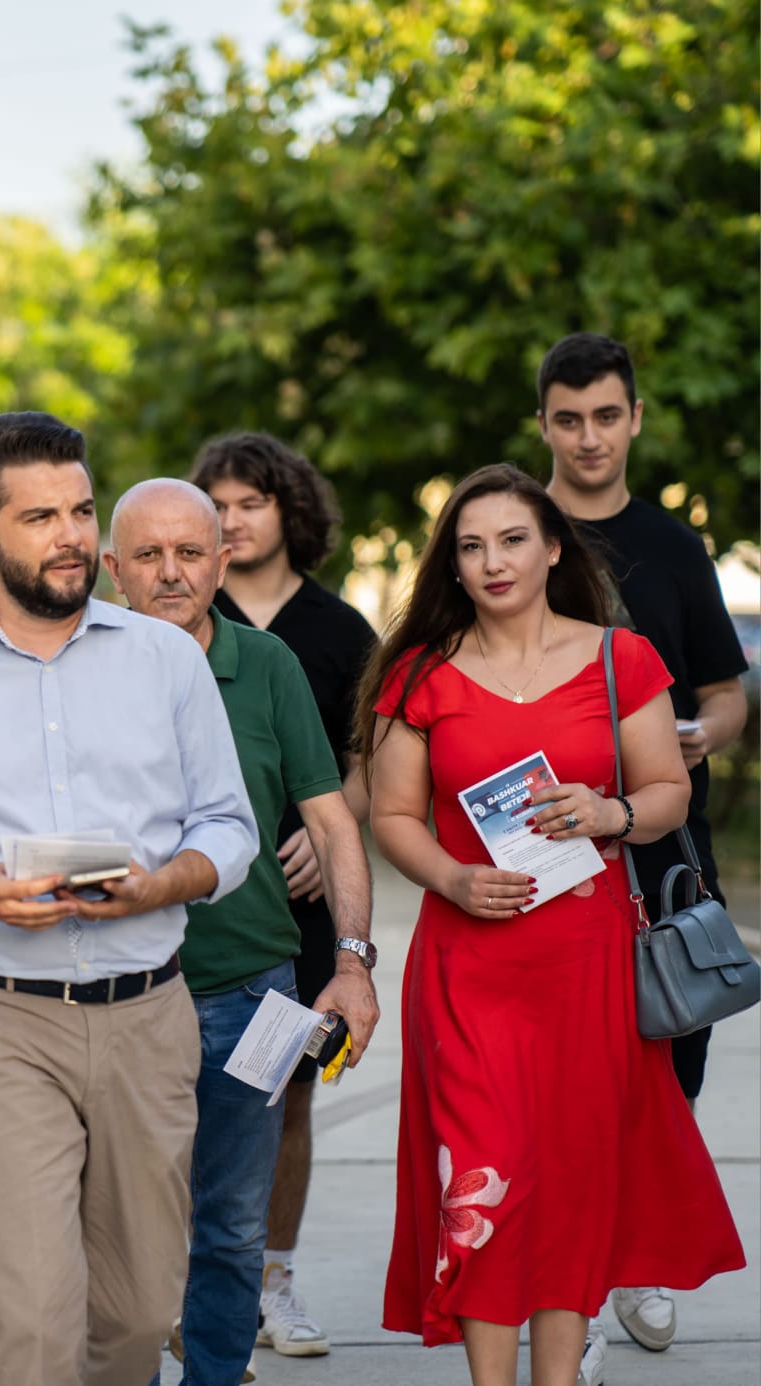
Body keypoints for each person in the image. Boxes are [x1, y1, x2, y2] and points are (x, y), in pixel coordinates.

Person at [0, 412, 260, 1386]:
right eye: (40, 517)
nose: (71, 535)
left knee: (136, 1315)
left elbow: (229, 831)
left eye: (79, 510)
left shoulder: (168, 659)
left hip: (147, 1013)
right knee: (34, 1321)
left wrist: (164, 882)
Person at [359, 464, 744, 1386]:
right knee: (482, 1181)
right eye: (471, 545)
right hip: (468, 969)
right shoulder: (421, 675)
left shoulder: (622, 660)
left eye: (512, 539)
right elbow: (393, 816)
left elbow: (667, 790)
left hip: (587, 965)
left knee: (571, 1183)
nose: (493, 561)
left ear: (553, 547)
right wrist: (451, 876)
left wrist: (612, 815)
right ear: (451, 564)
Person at [102, 478, 379, 1386]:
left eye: (191, 553)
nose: (171, 574)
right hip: (117, 993)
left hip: (251, 992)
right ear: (113, 570)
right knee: (122, 1226)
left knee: (229, 1227)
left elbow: (335, 822)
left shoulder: (268, 667)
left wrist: (352, 962)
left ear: (224, 560)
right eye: (148, 555)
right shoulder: (79, 671)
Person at [535, 333, 750, 1381]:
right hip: (539, 849)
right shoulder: (509, 538)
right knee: (558, 1072)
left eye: (605, 416)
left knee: (671, 1051)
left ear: (631, 419)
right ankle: (575, 1271)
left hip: (662, 849)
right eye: (568, 418)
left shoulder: (671, 547)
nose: (588, 438)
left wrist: (704, 733)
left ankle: (634, 1252)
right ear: (544, 424)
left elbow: (722, 689)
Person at [189, 432, 379, 1358]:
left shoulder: (340, 631)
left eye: (250, 501)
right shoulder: (182, 606)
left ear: (288, 510)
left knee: (289, 1094)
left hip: (299, 907)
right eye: (215, 504)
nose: (232, 520)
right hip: (192, 915)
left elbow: (367, 768)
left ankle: (275, 1280)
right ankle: (196, 1293)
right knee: (190, 1111)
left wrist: (322, 826)